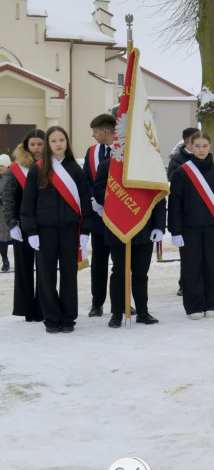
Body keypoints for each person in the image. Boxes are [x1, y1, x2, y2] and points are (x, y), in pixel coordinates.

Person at [20, 126, 93, 333]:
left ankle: (68, 318)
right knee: (46, 276)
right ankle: (51, 319)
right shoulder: (38, 169)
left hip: (71, 230)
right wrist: (31, 231)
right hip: (45, 231)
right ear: (47, 144)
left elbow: (85, 203)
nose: (58, 144)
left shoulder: (75, 169)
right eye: (53, 140)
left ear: (67, 142)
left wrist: (85, 231)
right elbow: (28, 205)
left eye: (62, 140)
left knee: (69, 275)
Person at [169, 131, 214, 319]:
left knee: (211, 267)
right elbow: (175, 204)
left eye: (204, 146)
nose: (201, 150)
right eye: (197, 146)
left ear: (210, 147)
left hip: (213, 229)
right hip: (189, 229)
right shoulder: (182, 173)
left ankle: (211, 305)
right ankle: (193, 306)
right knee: (191, 268)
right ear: (190, 146)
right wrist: (175, 231)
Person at [95, 159, 163, 327]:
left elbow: (159, 196)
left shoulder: (147, 163)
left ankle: (142, 311)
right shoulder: (107, 165)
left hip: (144, 226)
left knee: (141, 273)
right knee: (119, 272)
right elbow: (98, 193)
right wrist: (121, 195)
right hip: (117, 225)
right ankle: (117, 313)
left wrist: (159, 226)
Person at [4, 129, 45, 321]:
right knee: (24, 268)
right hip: (22, 226)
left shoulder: (50, 166)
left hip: (46, 225)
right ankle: (27, 309)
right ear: (26, 146)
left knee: (45, 268)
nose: (36, 148)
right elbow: (8, 199)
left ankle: (45, 306)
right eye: (33, 144)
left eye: (40, 144)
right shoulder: (15, 169)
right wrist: (12, 224)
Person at [83, 113, 116, 318]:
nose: (93, 136)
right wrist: (95, 202)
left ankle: (122, 302)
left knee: (122, 264)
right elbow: (86, 179)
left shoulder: (124, 150)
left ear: (105, 131)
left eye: (95, 132)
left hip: (121, 216)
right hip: (98, 218)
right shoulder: (92, 152)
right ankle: (97, 303)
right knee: (99, 264)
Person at [167, 126, 199, 298]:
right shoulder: (177, 161)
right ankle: (184, 283)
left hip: (203, 212)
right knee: (187, 255)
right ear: (188, 143)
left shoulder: (203, 158)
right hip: (186, 213)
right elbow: (174, 184)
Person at [0, 154, 12, 272]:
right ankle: (5, 259)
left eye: (2, 165)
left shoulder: (11, 177)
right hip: (0, 214)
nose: (0, 167)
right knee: (1, 238)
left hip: (9, 212)